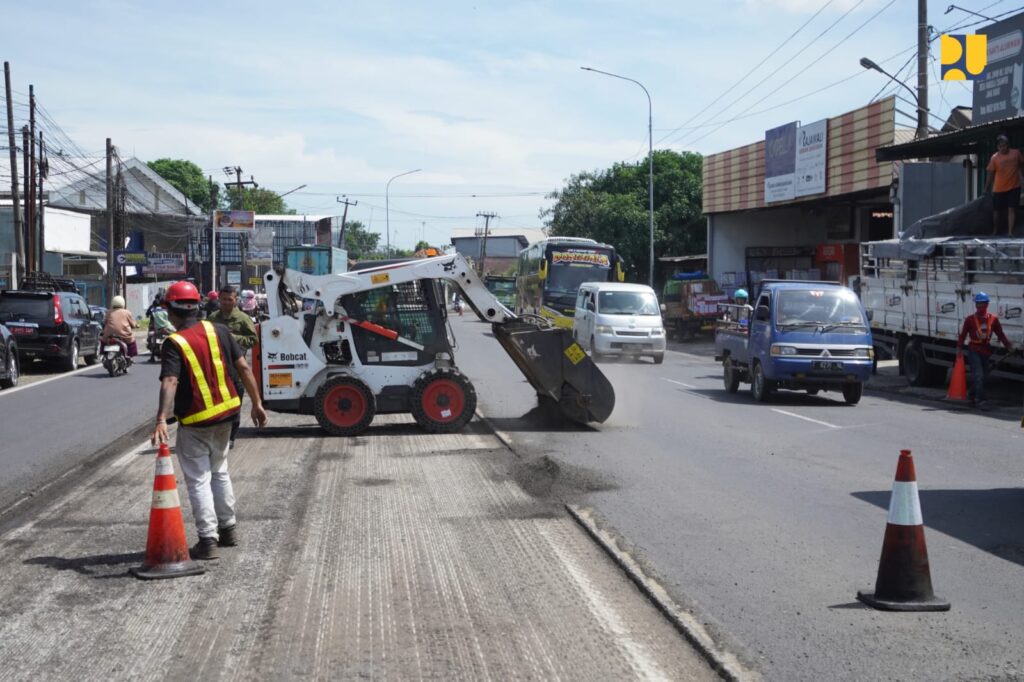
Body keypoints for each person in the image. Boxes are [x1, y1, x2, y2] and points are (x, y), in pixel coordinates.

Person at [150, 280, 267, 560]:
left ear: (170, 311)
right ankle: (229, 530)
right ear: (198, 306)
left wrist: (161, 419)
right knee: (220, 471)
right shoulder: (219, 330)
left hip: (196, 421)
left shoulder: (174, 342)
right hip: (227, 414)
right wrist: (257, 404)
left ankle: (208, 540)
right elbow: (243, 367)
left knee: (199, 479)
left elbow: (169, 380)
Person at [207, 285, 258, 448]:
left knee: (235, 407)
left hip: (236, 371)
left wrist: (233, 338)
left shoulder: (243, 319)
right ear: (219, 299)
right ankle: (217, 437)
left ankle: (231, 438)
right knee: (216, 406)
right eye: (223, 299)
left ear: (236, 300)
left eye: (230, 299)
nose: (227, 302)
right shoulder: (212, 318)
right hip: (215, 370)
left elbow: (253, 339)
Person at [957, 292, 1014, 409]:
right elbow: (962, 335)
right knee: (979, 376)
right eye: (978, 304)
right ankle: (981, 401)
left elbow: (1000, 334)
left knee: (984, 376)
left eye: (982, 304)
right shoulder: (970, 320)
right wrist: (959, 348)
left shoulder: (993, 319)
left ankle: (972, 394)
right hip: (974, 350)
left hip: (986, 350)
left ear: (987, 304)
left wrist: (1008, 345)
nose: (980, 307)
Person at [985, 134, 1024, 236]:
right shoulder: (994, 158)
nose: (1003, 148)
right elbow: (990, 174)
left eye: (1005, 145)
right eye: (1001, 146)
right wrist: (986, 188)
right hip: (999, 189)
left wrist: (1022, 178)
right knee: (996, 211)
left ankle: (1010, 232)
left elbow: (1021, 165)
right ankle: (995, 230)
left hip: (1014, 187)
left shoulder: (1016, 153)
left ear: (1008, 145)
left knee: (1012, 209)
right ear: (998, 147)